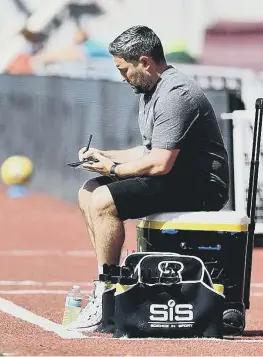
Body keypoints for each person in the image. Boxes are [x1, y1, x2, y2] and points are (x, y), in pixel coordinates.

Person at [64, 25, 230, 332]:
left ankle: (108, 292)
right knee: (88, 192)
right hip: (176, 176)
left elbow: (160, 164)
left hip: (201, 187)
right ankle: (108, 279)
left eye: (124, 70)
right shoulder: (150, 87)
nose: (122, 77)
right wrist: (106, 155)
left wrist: (112, 170)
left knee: (103, 199)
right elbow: (150, 149)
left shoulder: (175, 94)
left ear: (145, 62)